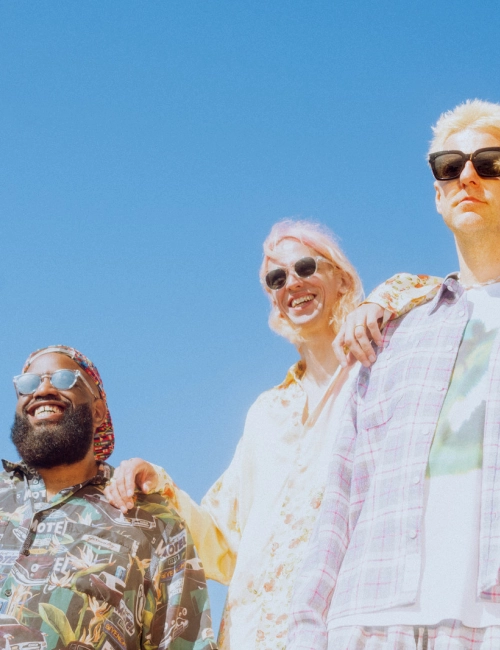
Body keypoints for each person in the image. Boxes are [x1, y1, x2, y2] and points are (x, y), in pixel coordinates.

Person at [106, 220, 441, 650]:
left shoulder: (380, 374)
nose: (293, 283)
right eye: (277, 279)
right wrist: (157, 482)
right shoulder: (265, 414)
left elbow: (444, 294)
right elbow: (224, 546)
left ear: (342, 279)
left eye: (306, 267)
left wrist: (382, 298)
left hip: (344, 627)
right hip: (251, 635)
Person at [288, 99, 500, 650]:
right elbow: (343, 491)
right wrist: (307, 627)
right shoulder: (395, 332)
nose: (468, 177)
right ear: (437, 193)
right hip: (369, 618)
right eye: (450, 167)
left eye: (490, 163)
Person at [0, 345, 217, 650]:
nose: (43, 389)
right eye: (28, 383)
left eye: (64, 379)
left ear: (98, 412)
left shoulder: (153, 522)